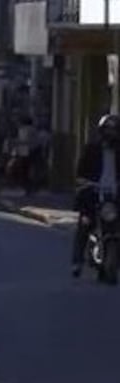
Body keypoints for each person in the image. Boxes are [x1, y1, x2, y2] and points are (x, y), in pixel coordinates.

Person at [71, 114, 120, 277]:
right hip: (92, 194)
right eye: (108, 129)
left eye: (115, 130)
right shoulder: (91, 149)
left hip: (113, 196)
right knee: (85, 224)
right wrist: (84, 182)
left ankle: (110, 262)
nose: (111, 133)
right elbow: (80, 171)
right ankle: (77, 261)